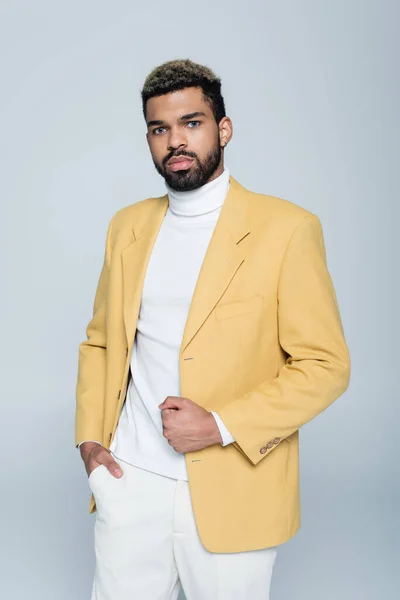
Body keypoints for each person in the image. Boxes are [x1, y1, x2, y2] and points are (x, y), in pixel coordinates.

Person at [75, 58, 351, 600]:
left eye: (192, 123)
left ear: (223, 129)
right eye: (160, 129)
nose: (176, 141)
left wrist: (221, 425)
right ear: (149, 138)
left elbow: (326, 366)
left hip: (234, 483)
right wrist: (89, 440)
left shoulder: (287, 229)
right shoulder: (127, 226)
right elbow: (102, 338)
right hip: (130, 480)